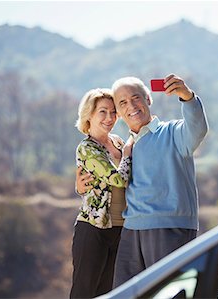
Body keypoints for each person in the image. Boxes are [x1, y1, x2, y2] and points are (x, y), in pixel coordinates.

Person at [111, 73, 208, 287]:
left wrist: (187, 96)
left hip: (169, 228)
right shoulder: (125, 148)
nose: (131, 106)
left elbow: (198, 129)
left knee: (170, 292)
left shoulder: (173, 132)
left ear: (148, 99)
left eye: (136, 97)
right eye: (123, 102)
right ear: (118, 113)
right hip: (132, 229)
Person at [70, 88, 133, 298]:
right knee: (84, 292)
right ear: (89, 114)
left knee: (107, 293)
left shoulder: (117, 142)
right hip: (93, 228)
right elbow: (118, 178)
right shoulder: (87, 148)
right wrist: (127, 154)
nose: (110, 118)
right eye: (103, 112)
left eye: (113, 112)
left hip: (119, 229)